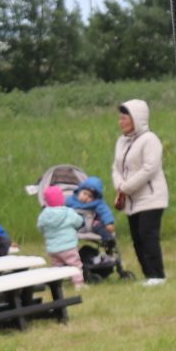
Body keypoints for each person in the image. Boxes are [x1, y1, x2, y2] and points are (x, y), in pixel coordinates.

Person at [111, 99, 169, 286]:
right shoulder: (121, 141)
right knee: (137, 238)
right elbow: (116, 167)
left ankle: (157, 275)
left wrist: (126, 187)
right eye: (119, 118)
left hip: (151, 197)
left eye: (125, 118)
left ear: (137, 118)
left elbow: (149, 169)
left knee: (147, 234)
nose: (121, 122)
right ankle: (148, 275)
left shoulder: (150, 140)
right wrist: (119, 185)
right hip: (131, 200)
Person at [36, 185, 84, 286]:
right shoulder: (68, 212)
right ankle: (78, 284)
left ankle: (56, 284)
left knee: (56, 267)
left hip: (52, 248)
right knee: (75, 265)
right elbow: (79, 222)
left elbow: (40, 227)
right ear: (62, 199)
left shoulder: (43, 215)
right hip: (68, 247)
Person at [69, 178, 118, 242]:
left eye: (90, 196)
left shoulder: (97, 203)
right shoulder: (70, 200)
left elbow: (105, 212)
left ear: (95, 198)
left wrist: (109, 223)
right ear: (79, 191)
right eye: (84, 193)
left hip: (91, 224)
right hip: (74, 225)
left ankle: (108, 239)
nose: (86, 197)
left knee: (98, 225)